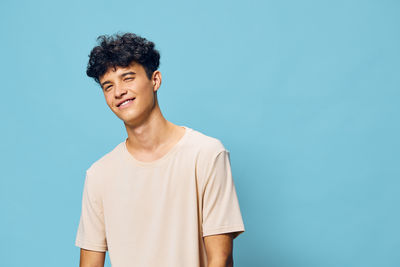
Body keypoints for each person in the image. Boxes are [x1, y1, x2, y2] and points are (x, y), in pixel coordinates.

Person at [75, 32, 245, 267]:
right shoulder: (99, 175)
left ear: (155, 80)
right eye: (108, 86)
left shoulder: (206, 154)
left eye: (128, 78)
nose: (118, 92)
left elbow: (220, 258)